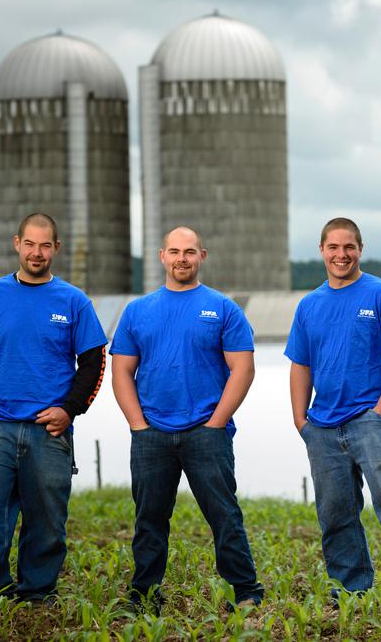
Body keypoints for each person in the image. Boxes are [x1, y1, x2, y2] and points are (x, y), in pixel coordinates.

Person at [111, 226, 264, 615]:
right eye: (175, 251)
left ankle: (245, 590)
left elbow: (242, 369)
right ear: (162, 256)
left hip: (206, 432)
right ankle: (145, 594)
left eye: (190, 252)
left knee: (224, 515)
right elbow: (122, 372)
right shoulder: (137, 311)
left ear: (202, 256)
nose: (182, 258)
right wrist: (137, 425)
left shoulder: (224, 308)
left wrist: (216, 423)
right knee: (149, 520)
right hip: (152, 434)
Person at [285, 217, 381, 598]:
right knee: (336, 514)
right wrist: (300, 419)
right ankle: (351, 588)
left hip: (372, 422)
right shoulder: (309, 306)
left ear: (360, 249)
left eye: (349, 247)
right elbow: (300, 364)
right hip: (323, 427)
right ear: (322, 250)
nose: (342, 255)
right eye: (334, 247)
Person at [0, 212, 107, 605]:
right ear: (16, 244)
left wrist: (69, 410)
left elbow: (94, 362)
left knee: (47, 519)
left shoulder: (74, 301)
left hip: (50, 430)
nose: (37, 252)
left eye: (45, 245)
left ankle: (38, 591)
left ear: (56, 248)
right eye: (30, 244)